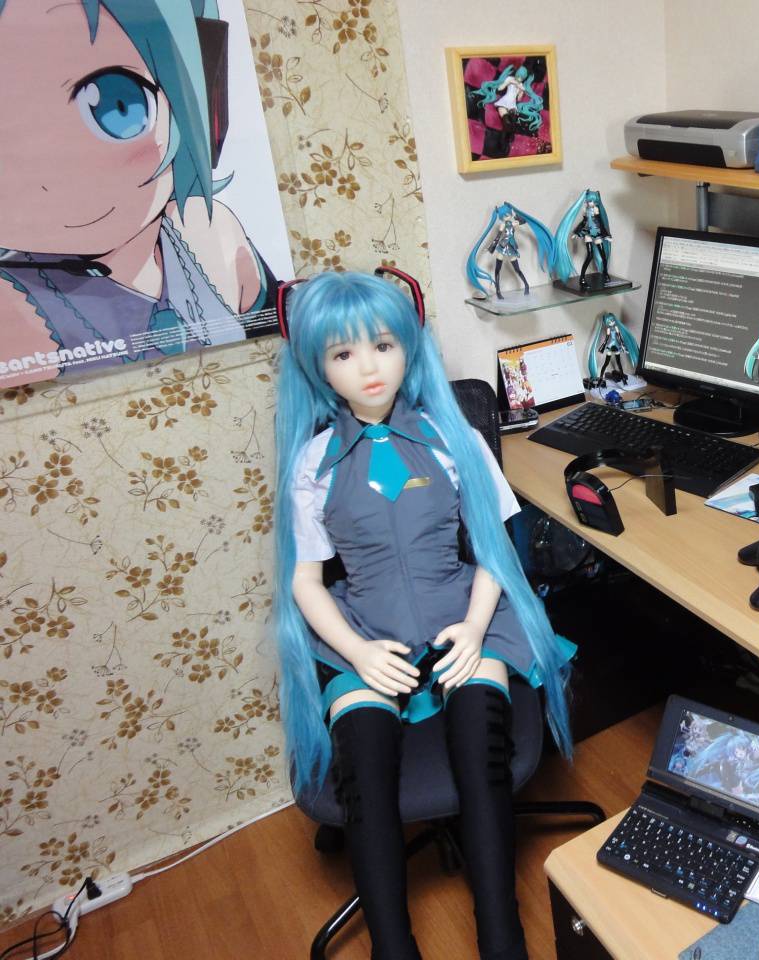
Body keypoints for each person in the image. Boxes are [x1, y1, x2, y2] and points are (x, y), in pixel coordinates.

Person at [273, 270, 574, 960]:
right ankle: (393, 948)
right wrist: (356, 652)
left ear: (408, 346)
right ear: (318, 366)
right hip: (365, 633)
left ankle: (503, 939)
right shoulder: (313, 464)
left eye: (382, 345)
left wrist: (474, 628)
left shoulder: (452, 438)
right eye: (343, 353)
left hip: (464, 617)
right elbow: (306, 582)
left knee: (481, 746)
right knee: (364, 771)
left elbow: (494, 551)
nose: (368, 368)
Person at [0, 0, 276, 384]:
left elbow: (281, 333)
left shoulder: (206, 227)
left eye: (117, 105)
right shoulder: (14, 309)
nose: (52, 175)